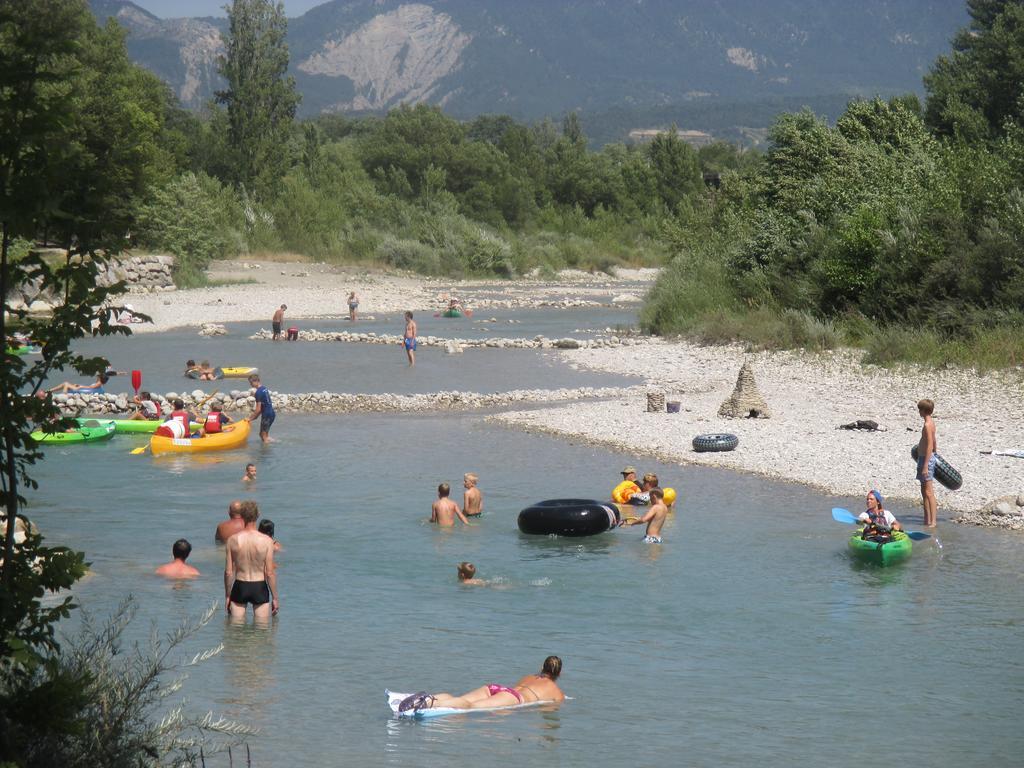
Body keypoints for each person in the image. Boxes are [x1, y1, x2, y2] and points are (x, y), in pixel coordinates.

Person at [400, 656, 565, 714]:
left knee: (460, 699)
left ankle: (430, 697)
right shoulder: (556, 691)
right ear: (559, 674)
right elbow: (549, 709)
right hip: (513, 697)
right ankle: (428, 703)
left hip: (497, 688)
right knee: (469, 707)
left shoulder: (529, 676)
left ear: (541, 668)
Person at [224, 501, 278, 619]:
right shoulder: (266, 541)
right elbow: (269, 573)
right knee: (261, 632)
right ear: (258, 515)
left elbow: (228, 572)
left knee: (236, 630)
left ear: (242, 515)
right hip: (259, 586)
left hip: (240, 585)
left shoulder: (232, 540)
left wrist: (228, 596)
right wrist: (275, 598)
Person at [917, 398, 938, 527]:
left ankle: (933, 522)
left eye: (920, 409)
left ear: (924, 410)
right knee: (923, 491)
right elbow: (934, 442)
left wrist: (926, 465)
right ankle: (927, 520)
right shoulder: (931, 423)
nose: (918, 411)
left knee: (929, 492)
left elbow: (930, 444)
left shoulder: (927, 425)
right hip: (924, 458)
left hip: (926, 460)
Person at [247, 374, 275, 443]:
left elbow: (258, 409)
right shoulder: (264, 388)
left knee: (263, 436)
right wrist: (253, 417)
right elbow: (263, 404)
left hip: (267, 415)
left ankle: (265, 452)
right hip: (271, 413)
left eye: (251, 383)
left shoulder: (258, 393)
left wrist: (250, 419)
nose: (250, 384)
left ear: (257, 381)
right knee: (263, 434)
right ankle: (274, 443)